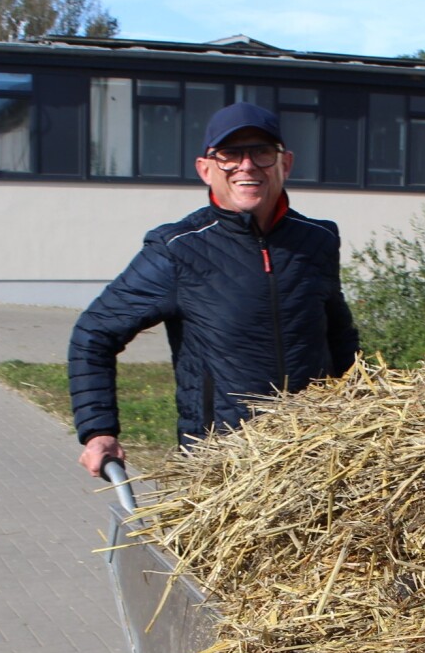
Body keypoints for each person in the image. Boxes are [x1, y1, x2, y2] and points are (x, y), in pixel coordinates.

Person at [69, 101, 360, 475]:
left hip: (316, 458)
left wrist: (364, 408)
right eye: (230, 154)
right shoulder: (179, 248)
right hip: (222, 465)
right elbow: (94, 333)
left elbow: (339, 337)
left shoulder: (317, 239)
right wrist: (99, 432)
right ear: (205, 169)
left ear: (285, 163)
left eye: (261, 152)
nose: (247, 165)